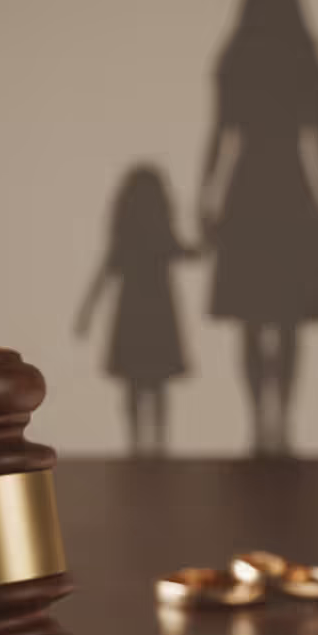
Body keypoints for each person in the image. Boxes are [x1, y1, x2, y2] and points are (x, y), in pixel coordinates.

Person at [199, 0, 318, 457]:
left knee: (256, 317)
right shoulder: (303, 57)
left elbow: (220, 136)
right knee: (283, 317)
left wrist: (207, 196)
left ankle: (264, 419)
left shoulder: (238, 57)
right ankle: (276, 418)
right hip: (288, 191)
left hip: (251, 192)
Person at [74, 164, 197, 457]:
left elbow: (103, 275)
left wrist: (86, 314)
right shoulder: (158, 235)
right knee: (156, 384)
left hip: (131, 315)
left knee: (136, 384)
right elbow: (188, 252)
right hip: (158, 314)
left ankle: (137, 443)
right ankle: (158, 443)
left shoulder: (127, 237)